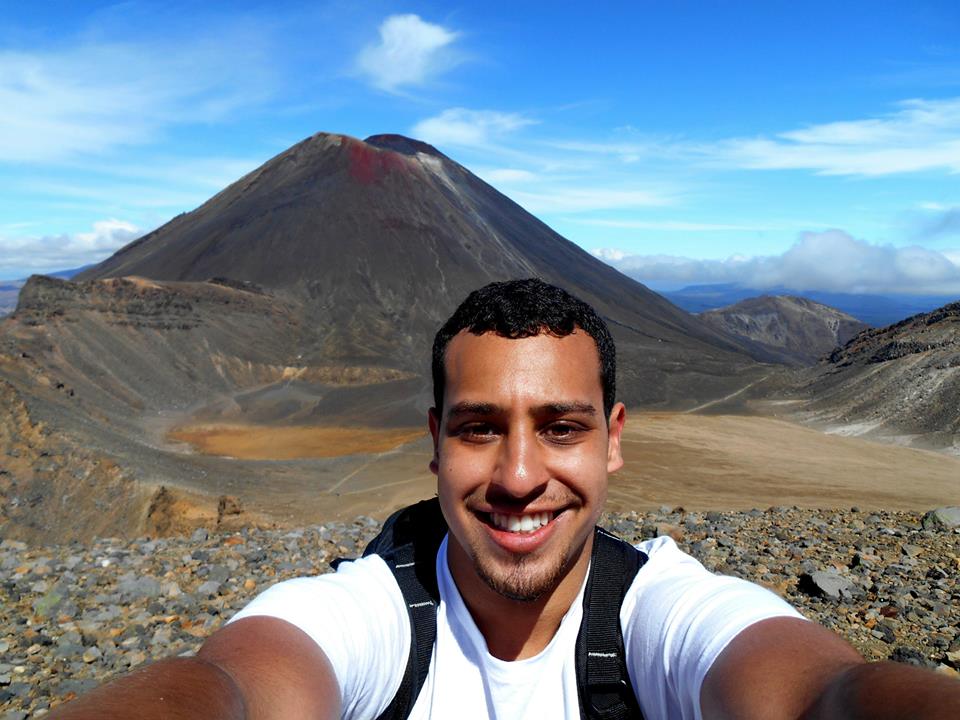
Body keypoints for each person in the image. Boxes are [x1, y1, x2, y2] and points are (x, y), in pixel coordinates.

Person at [51, 278, 959, 719]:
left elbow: (826, 696)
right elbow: (231, 688)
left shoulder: (662, 615)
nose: (519, 476)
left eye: (560, 427)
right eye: (479, 427)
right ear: (433, 439)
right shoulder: (370, 614)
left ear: (614, 439)